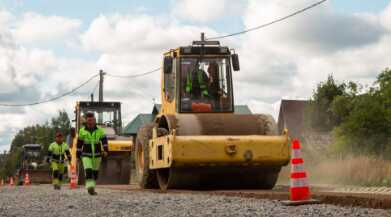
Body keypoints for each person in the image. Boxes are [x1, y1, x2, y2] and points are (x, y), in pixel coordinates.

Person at [76, 112, 108, 195]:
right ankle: (90, 187)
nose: (90, 122)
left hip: (97, 155)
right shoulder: (82, 131)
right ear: (86, 121)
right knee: (88, 170)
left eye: (92, 120)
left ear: (94, 120)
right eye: (88, 120)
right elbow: (79, 143)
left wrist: (106, 150)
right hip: (86, 155)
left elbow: (104, 141)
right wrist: (78, 154)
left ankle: (92, 187)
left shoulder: (100, 130)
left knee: (95, 173)